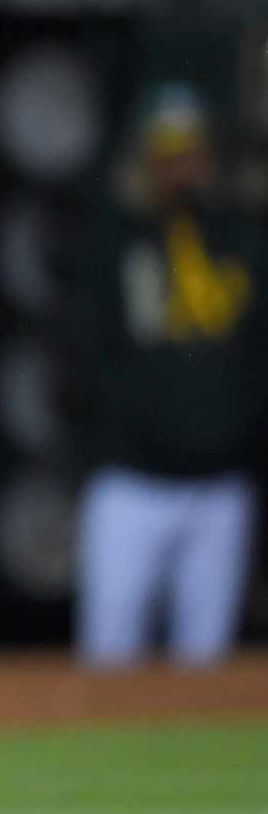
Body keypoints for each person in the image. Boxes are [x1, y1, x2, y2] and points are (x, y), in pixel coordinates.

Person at [66, 85, 268, 667]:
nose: (180, 167)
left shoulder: (241, 238)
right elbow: (86, 355)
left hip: (219, 481)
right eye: (166, 153)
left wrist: (235, 429)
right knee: (109, 657)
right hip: (132, 480)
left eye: (190, 152)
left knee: (205, 665)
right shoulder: (113, 239)